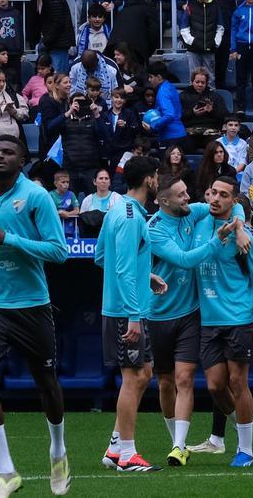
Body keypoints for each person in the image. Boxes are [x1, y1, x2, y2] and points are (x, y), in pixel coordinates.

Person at [0, 136, 70, 497]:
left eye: (7, 152)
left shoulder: (37, 196)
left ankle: (58, 450)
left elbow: (59, 251)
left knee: (46, 382)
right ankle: (7, 472)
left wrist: (8, 238)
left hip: (32, 303)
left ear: (21, 160)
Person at [144, 172, 248, 465]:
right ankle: (175, 440)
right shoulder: (154, 229)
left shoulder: (192, 211)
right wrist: (218, 240)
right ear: (164, 201)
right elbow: (185, 260)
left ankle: (179, 446)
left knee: (185, 378)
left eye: (187, 191)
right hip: (159, 313)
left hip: (191, 312)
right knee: (166, 383)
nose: (189, 197)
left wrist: (239, 228)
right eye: (181, 194)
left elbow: (235, 206)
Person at [97, 156, 167, 472]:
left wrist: (144, 275)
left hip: (126, 307)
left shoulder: (117, 210)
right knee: (133, 377)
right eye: (156, 176)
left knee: (144, 373)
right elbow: (122, 268)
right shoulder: (130, 217)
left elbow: (102, 257)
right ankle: (127, 455)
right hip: (127, 312)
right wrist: (134, 315)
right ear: (149, 180)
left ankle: (115, 448)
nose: (158, 181)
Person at [194, 177, 253, 467]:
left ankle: (246, 449)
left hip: (239, 317)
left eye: (223, 195)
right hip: (209, 319)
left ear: (233, 201)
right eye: (212, 193)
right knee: (215, 386)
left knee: (238, 382)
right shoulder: (198, 224)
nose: (215, 198)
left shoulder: (245, 236)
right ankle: (242, 426)